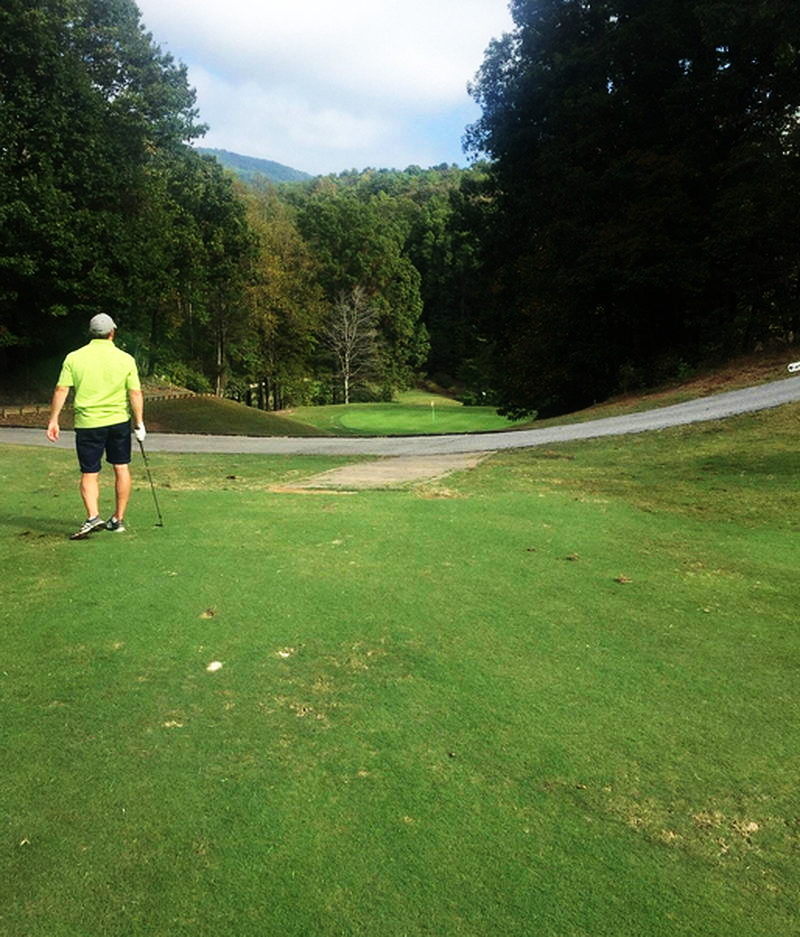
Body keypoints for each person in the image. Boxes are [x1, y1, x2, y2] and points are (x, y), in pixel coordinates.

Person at [47, 314, 146, 540]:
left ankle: (93, 516)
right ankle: (117, 519)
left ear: (91, 333)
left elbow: (61, 390)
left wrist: (54, 419)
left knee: (90, 472)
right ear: (112, 332)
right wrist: (139, 423)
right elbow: (135, 393)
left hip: (88, 423)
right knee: (121, 467)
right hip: (118, 422)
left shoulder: (74, 357)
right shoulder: (126, 359)